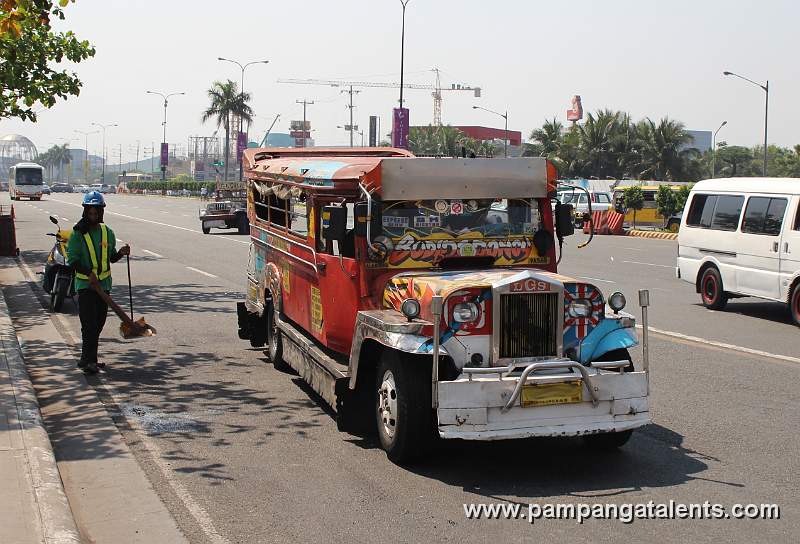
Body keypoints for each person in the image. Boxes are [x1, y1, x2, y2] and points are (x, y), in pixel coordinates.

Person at [67, 191, 130, 374]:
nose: (93, 216)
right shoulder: (78, 233)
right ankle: (89, 362)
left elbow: (111, 258)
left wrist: (121, 253)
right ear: (85, 212)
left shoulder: (107, 232)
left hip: (104, 286)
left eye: (96, 212)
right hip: (86, 286)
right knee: (89, 325)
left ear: (101, 212)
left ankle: (87, 359)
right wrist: (88, 274)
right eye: (90, 213)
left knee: (99, 323)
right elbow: (73, 261)